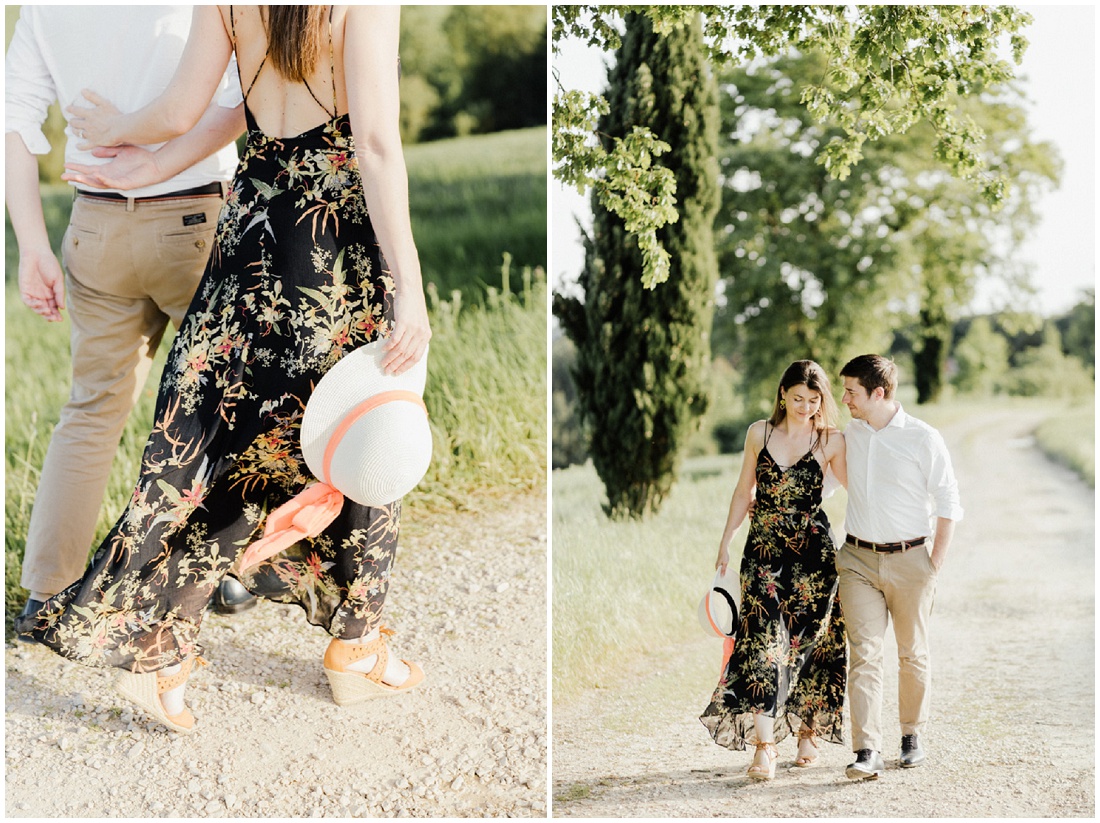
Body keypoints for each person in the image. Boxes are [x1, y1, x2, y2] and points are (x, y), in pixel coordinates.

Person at [17, 5, 432, 734]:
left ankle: (162, 648)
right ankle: (357, 644)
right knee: (364, 425)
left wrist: (128, 141)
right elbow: (373, 141)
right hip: (330, 246)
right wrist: (411, 286)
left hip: (249, 233)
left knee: (211, 445)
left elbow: (188, 108)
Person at [4, 5, 258, 626]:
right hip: (193, 219)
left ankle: (46, 594)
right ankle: (221, 573)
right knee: (226, 401)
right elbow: (242, 104)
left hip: (94, 227)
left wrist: (31, 245)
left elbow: (11, 120)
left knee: (90, 410)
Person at [700, 360, 848, 780]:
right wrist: (726, 540)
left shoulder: (830, 441)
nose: (805, 407)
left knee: (812, 643)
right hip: (762, 554)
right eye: (798, 398)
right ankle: (764, 749)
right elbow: (743, 488)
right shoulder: (758, 433)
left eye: (814, 400)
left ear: (822, 402)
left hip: (815, 558)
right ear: (783, 393)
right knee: (762, 643)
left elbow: (861, 490)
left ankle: (808, 732)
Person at [837, 354, 963, 780]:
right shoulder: (848, 435)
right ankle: (866, 750)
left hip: (912, 560)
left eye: (852, 391)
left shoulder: (923, 438)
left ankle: (911, 736)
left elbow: (948, 503)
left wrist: (933, 566)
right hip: (856, 560)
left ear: (879, 392)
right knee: (865, 654)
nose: (844, 399)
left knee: (912, 654)